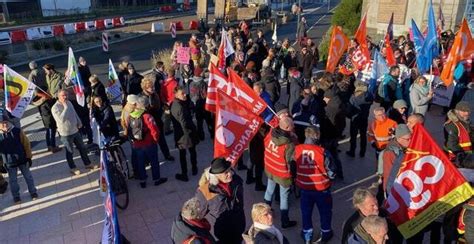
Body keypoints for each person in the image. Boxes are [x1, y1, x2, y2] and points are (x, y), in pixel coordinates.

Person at [295, 126, 336, 243]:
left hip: (304, 187)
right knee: (325, 212)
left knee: (306, 212)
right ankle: (326, 233)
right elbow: (332, 172)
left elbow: (293, 166)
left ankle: (307, 235)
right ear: (317, 136)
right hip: (321, 188)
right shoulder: (322, 151)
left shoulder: (297, 149)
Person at [195, 158, 245, 244]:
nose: (230, 174)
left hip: (239, 224)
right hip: (223, 231)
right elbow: (197, 215)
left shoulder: (237, 180)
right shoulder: (205, 191)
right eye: (226, 172)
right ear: (216, 176)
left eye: (230, 170)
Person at [263, 116, 298, 229]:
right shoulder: (289, 144)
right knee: (284, 197)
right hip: (282, 173)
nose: (294, 128)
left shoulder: (270, 134)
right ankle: (285, 221)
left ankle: (264, 213)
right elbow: (290, 162)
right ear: (288, 127)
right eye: (293, 126)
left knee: (269, 191)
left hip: (270, 168)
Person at [51, 90, 97, 175]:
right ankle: (72, 167)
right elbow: (61, 120)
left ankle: (88, 163)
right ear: (58, 96)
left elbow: (74, 113)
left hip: (75, 130)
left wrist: (79, 122)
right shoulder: (55, 108)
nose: (65, 97)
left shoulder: (69, 103)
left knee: (82, 148)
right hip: (66, 133)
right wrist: (65, 108)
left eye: (66, 95)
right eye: (63, 95)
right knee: (70, 151)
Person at [127, 97, 167, 188]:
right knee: (154, 162)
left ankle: (143, 181)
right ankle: (156, 179)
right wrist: (155, 140)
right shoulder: (147, 116)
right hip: (149, 143)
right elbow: (154, 130)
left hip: (137, 144)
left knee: (141, 163)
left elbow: (128, 130)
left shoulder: (131, 116)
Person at [0, 111, 37, 204]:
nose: (4, 124)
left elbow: (26, 144)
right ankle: (16, 197)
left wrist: (29, 157)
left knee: (28, 177)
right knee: (13, 181)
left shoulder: (17, 131)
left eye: (5, 122)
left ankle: (33, 192)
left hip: (22, 159)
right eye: (2, 123)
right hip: (9, 162)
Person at [140, 76, 174, 161]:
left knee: (161, 139)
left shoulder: (155, 94)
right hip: (148, 123)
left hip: (157, 120)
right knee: (149, 143)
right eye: (150, 87)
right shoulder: (141, 98)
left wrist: (164, 108)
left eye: (153, 86)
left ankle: (167, 155)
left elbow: (159, 106)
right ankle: (148, 160)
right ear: (145, 88)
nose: (153, 88)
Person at [29, 61, 61, 153]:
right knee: (51, 125)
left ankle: (49, 145)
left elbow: (34, 92)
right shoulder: (42, 72)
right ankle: (53, 146)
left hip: (40, 102)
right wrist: (47, 96)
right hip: (46, 99)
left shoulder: (31, 76)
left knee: (47, 125)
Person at [171, 86, 199, 182]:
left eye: (184, 93)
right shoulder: (179, 107)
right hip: (184, 134)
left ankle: (191, 169)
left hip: (182, 134)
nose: (185, 95)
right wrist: (191, 133)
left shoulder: (177, 103)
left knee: (188, 153)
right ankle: (186, 173)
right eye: (182, 94)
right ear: (176, 95)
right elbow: (184, 123)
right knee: (186, 154)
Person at [377, 124, 411, 194]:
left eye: (411, 138)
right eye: (408, 139)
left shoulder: (403, 146)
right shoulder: (390, 153)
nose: (410, 141)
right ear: (399, 138)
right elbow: (389, 175)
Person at [321, 89, 346, 179]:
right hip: (335, 135)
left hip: (328, 136)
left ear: (329, 98)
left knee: (328, 156)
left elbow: (325, 124)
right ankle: (340, 173)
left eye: (325, 97)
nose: (324, 99)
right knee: (335, 155)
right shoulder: (340, 104)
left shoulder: (329, 109)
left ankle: (331, 174)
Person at [346, 82, 372, 158]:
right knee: (363, 136)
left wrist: (349, 116)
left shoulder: (353, 97)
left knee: (353, 136)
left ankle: (352, 151)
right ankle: (362, 152)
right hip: (364, 118)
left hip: (355, 119)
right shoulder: (369, 96)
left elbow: (349, 109)